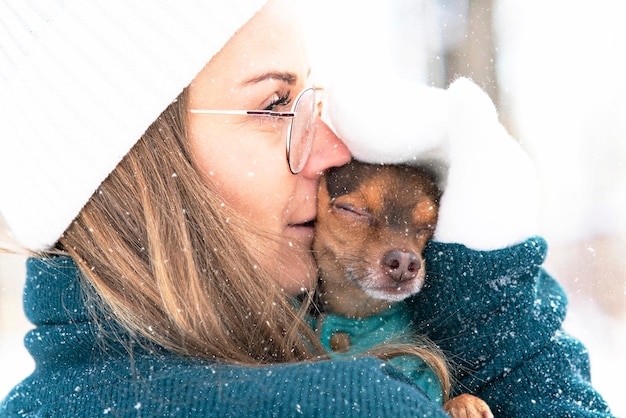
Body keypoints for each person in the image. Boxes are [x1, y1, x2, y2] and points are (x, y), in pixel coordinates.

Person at [0, 1, 614, 417]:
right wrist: (496, 321)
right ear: (135, 165)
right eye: (274, 106)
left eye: (312, 103)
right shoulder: (349, 400)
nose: (334, 150)